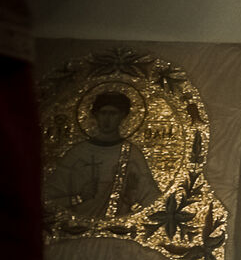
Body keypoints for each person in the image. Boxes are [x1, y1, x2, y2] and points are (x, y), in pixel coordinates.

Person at [44, 90, 161, 220]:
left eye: (113, 114)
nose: (107, 119)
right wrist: (78, 198)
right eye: (103, 113)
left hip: (118, 224)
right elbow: (48, 199)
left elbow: (152, 198)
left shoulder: (131, 154)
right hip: (78, 225)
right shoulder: (78, 153)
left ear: (122, 116)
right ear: (95, 115)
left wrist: (132, 199)